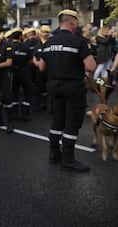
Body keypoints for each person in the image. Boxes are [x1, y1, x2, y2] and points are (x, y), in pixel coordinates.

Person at [39, 9, 96, 172]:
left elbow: (42, 67)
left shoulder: (48, 42)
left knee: (57, 121)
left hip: (53, 86)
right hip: (72, 87)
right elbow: (91, 67)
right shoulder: (79, 41)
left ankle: (54, 154)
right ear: (73, 22)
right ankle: (68, 160)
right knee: (72, 122)